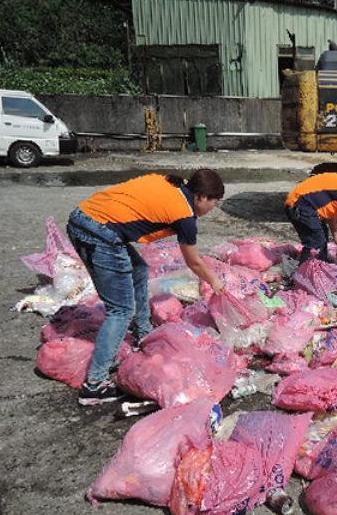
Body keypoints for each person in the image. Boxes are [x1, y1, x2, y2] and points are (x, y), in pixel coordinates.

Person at [66, 169, 226, 405]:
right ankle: (95, 385)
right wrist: (214, 281)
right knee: (120, 310)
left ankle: (143, 332)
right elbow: (193, 261)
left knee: (138, 270)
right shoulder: (184, 215)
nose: (213, 208)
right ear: (201, 197)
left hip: (82, 218)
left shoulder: (168, 182)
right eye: (214, 202)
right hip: (100, 234)